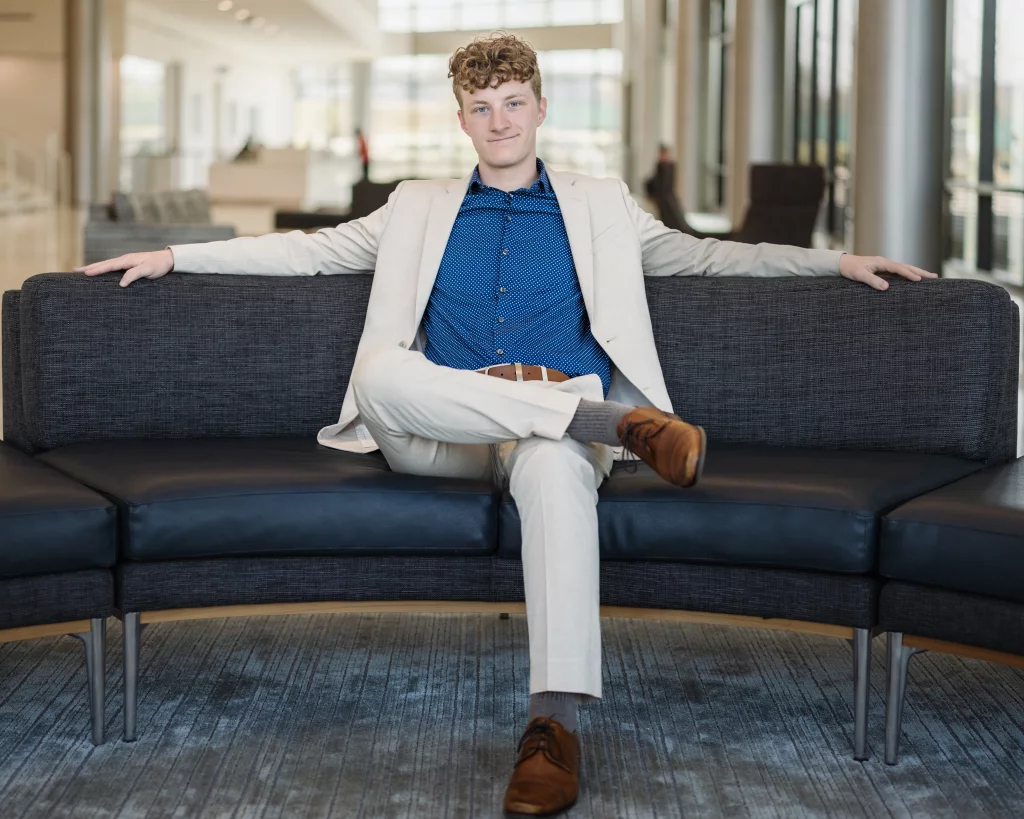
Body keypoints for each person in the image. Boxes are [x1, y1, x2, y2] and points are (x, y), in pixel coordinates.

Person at [77, 31, 937, 818]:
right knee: (379, 372)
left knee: (559, 468)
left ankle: (552, 728)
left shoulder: (601, 205)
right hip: (444, 429)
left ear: (540, 107)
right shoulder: (416, 203)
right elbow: (307, 249)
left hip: (545, 434)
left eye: (513, 103)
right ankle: (619, 423)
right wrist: (174, 253)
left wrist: (838, 259)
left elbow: (715, 256)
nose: (498, 121)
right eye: (481, 108)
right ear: (461, 119)